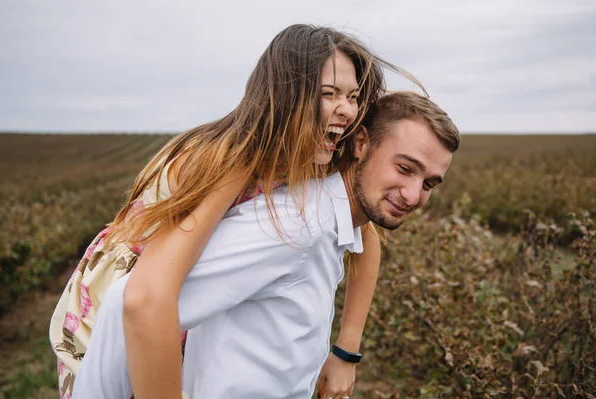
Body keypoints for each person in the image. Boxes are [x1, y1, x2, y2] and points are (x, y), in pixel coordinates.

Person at [49, 24, 423, 399]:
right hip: (121, 307)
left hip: (181, 301)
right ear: (286, 94)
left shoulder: (312, 155)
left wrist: (345, 351)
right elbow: (145, 296)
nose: (347, 109)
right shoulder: (233, 159)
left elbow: (365, 238)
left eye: (353, 96)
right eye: (329, 94)